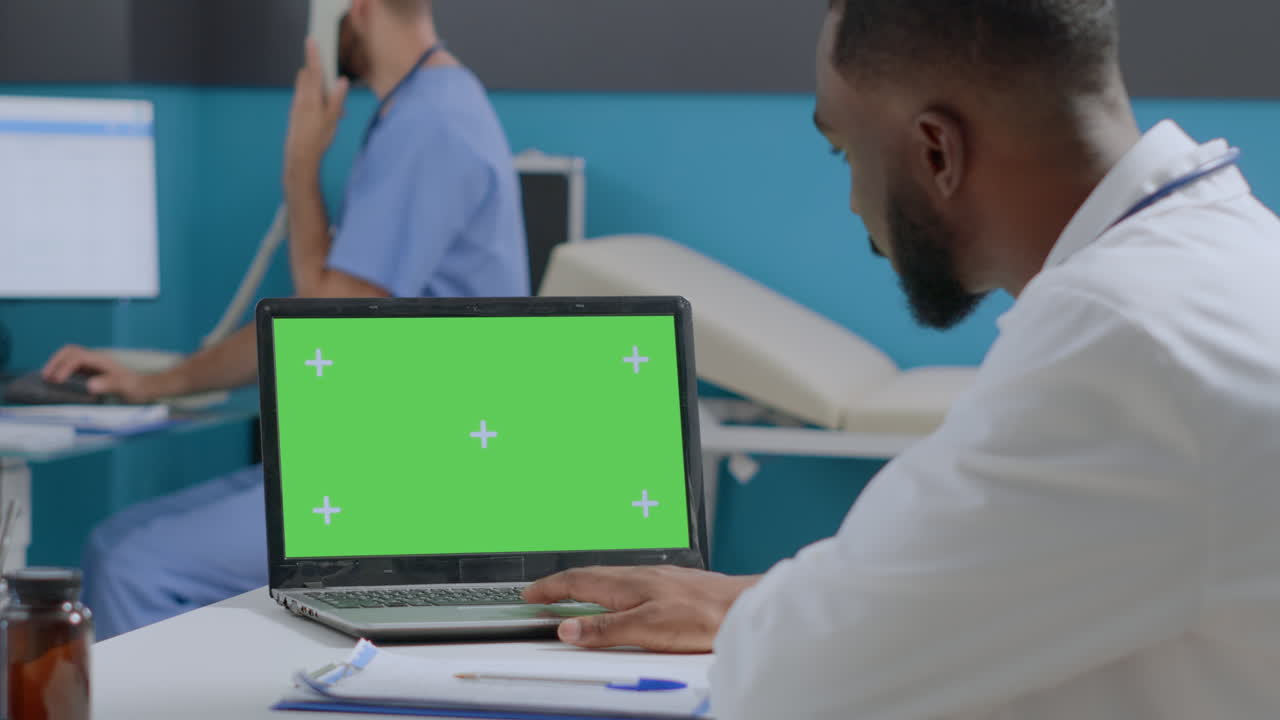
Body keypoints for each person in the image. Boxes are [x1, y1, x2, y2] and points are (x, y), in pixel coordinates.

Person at [524, 1, 1280, 718]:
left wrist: (773, 622)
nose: (854, 199)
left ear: (935, 151)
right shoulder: (1227, 253)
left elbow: (800, 690)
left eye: (844, 149)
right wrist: (765, 603)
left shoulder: (1120, 343)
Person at [44, 0, 528, 639]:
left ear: (352, 10)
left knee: (137, 568)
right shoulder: (433, 106)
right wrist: (151, 383)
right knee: (113, 540)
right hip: (391, 461)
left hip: (418, 482)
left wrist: (300, 165)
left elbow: (325, 324)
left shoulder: (427, 124)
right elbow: (306, 321)